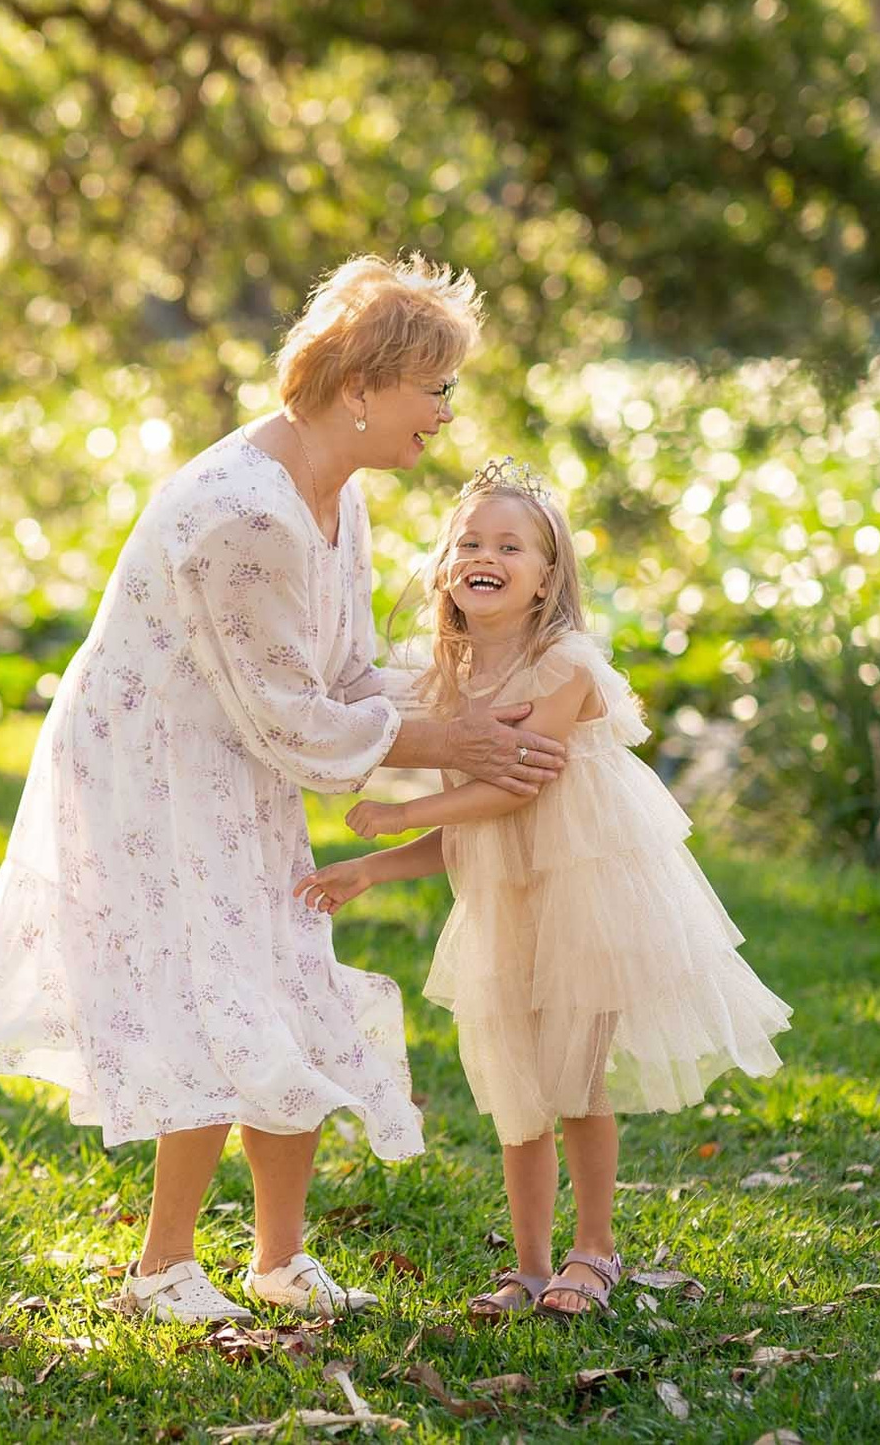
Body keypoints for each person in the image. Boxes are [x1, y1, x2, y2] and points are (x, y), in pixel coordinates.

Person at [0, 257, 569, 1323]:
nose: (444, 412)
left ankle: (278, 1260)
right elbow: (293, 717)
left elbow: (334, 675)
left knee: (290, 976)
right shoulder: (246, 514)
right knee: (216, 993)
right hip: (154, 776)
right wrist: (450, 740)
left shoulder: (334, 493)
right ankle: (160, 1268)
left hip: (235, 761)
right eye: (433, 386)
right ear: (359, 390)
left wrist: (490, 694)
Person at [297, 456, 789, 1321]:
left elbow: (518, 784)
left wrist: (400, 812)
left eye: (510, 545)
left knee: (576, 1084)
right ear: (448, 570)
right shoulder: (447, 681)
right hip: (503, 908)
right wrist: (373, 868)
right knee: (515, 1089)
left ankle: (593, 1249)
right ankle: (527, 1265)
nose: (485, 554)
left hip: (586, 900)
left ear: (545, 577)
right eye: (469, 542)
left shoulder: (566, 664)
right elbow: (470, 835)